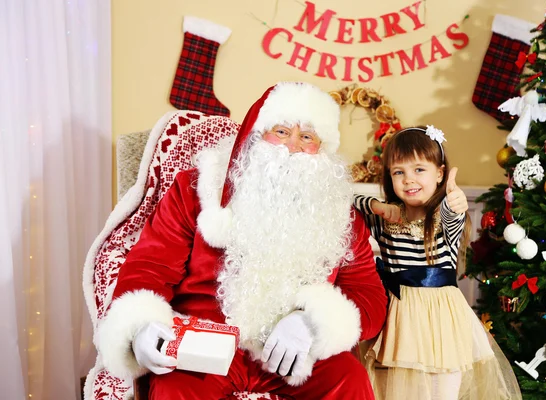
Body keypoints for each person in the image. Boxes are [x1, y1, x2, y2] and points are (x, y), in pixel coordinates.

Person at [95, 81, 388, 399]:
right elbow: (151, 265)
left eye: (306, 137)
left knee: (350, 379)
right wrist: (141, 325)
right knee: (173, 387)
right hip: (204, 345)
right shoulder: (196, 190)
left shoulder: (339, 215)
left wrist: (315, 323)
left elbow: (368, 293)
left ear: (322, 149)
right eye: (281, 132)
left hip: (295, 355)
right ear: (255, 134)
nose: (291, 147)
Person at [354, 126, 522, 400]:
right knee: (393, 390)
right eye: (399, 172)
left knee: (441, 391)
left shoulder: (445, 219)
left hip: (440, 321)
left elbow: (452, 212)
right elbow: (347, 202)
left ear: (440, 173)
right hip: (398, 318)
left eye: (419, 169)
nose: (409, 180)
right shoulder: (385, 219)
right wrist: (376, 205)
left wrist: (454, 200)